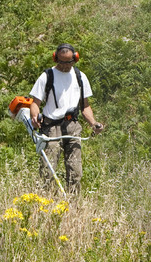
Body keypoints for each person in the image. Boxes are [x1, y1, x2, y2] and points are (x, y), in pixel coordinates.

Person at [25, 44, 105, 192]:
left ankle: (73, 206)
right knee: (48, 170)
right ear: (55, 58)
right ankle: (46, 202)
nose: (65, 65)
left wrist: (93, 123)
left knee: (75, 170)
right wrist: (34, 116)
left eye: (69, 62)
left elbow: (85, 106)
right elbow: (34, 103)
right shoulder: (47, 76)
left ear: (75, 59)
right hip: (51, 127)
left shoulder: (80, 77)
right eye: (61, 62)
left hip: (73, 126)